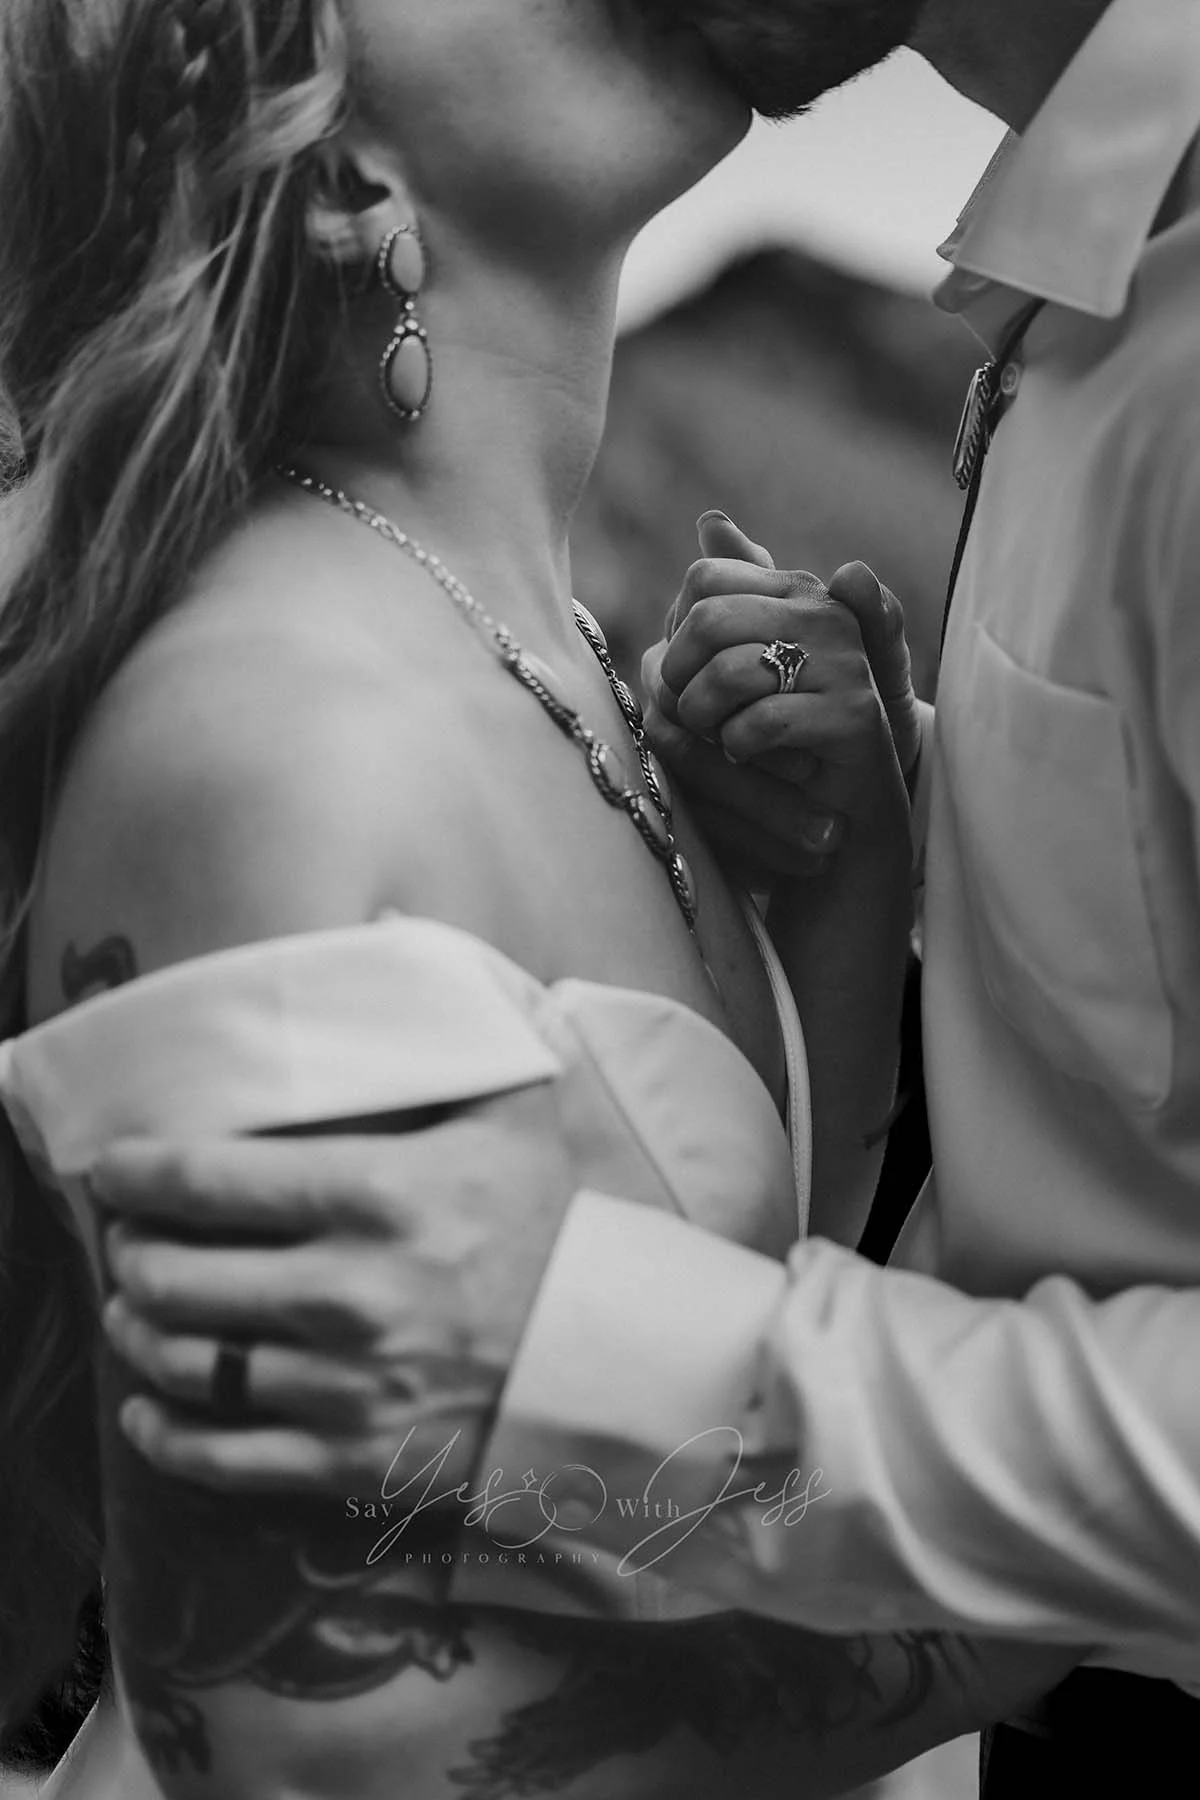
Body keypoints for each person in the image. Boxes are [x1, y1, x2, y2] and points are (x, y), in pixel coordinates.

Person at [69, 0, 1200, 1792]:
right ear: (351, 174)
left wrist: (849, 924)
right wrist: (1055, 1608)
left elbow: (689, 1408)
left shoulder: (567, 666)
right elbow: (302, 1739)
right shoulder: (274, 742)